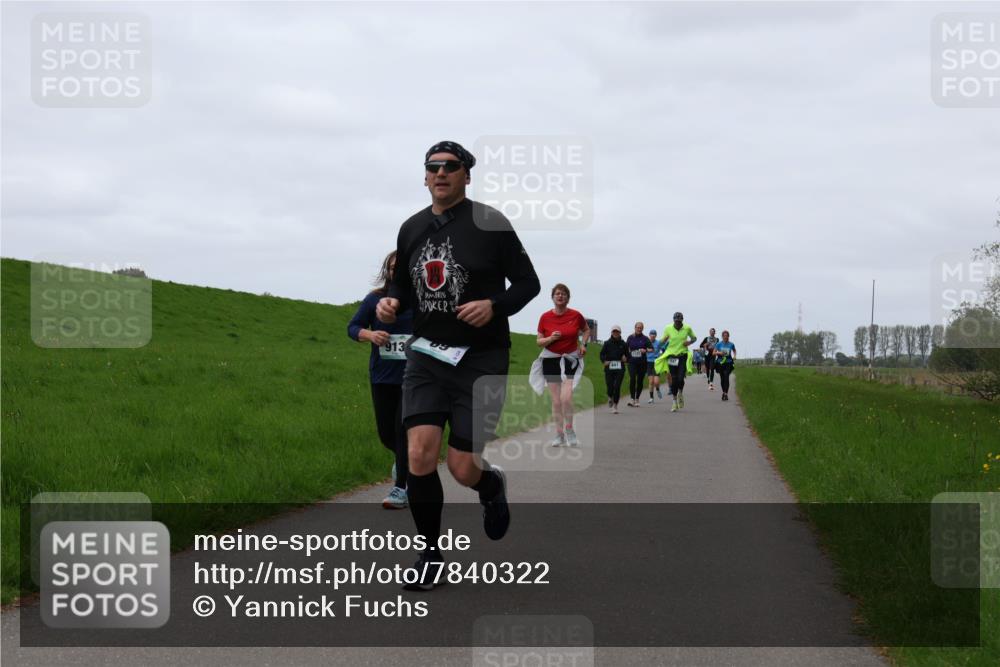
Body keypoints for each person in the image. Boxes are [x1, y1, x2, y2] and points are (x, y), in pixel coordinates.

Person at [376, 140, 540, 590]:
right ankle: (431, 555)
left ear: (467, 175)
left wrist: (494, 305)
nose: (441, 173)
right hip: (427, 356)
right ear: (425, 176)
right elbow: (400, 285)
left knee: (463, 466)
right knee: (418, 454)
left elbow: (528, 283)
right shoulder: (411, 228)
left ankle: (490, 487)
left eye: (451, 166)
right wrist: (391, 302)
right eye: (433, 167)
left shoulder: (491, 223)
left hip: (481, 358)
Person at [347, 250, 413, 509]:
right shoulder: (375, 299)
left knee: (402, 431)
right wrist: (370, 335)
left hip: (414, 377)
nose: (397, 271)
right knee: (387, 434)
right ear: (388, 271)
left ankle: (401, 489)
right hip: (383, 375)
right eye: (393, 267)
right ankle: (405, 462)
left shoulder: (422, 300)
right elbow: (352, 327)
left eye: (402, 267)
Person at [536, 283, 589, 446]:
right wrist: (551, 338)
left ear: (568, 298)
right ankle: (559, 435)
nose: (560, 296)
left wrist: (583, 344)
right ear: (552, 297)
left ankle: (570, 430)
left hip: (569, 359)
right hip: (550, 359)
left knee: (566, 398)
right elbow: (539, 341)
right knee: (556, 401)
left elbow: (586, 330)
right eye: (557, 293)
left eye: (564, 294)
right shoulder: (545, 317)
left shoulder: (576, 315)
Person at [656, 312, 697, 412]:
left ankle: (680, 393)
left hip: (682, 355)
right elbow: (660, 342)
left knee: (680, 378)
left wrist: (689, 342)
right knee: (674, 379)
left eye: (679, 321)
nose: (677, 323)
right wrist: (664, 340)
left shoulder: (687, 328)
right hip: (671, 356)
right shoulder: (668, 328)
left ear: (682, 320)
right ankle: (674, 401)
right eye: (676, 321)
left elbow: (694, 338)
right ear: (673, 320)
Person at [600, 324, 628, 413]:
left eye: (617, 332)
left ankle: (615, 406)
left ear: (620, 333)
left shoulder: (623, 344)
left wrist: (626, 359)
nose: (615, 333)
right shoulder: (607, 343)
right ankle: (610, 397)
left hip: (620, 368)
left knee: (617, 386)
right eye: (614, 331)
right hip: (609, 367)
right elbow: (602, 354)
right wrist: (604, 361)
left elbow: (628, 356)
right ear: (612, 333)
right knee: (610, 386)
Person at [625, 322, 651, 407]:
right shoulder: (630, 337)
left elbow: (651, 349)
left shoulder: (645, 338)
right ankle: (632, 399)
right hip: (632, 362)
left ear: (642, 329)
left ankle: (637, 399)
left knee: (640, 381)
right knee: (632, 379)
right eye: (637, 327)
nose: (639, 329)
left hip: (642, 363)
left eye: (640, 328)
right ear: (635, 328)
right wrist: (626, 355)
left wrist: (645, 350)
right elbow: (626, 348)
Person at [713, 330, 737, 401]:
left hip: (728, 362)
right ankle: (723, 392)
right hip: (720, 363)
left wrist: (734, 356)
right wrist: (719, 353)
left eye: (727, 336)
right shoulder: (718, 344)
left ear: (728, 336)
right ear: (722, 336)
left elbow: (734, 350)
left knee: (726, 377)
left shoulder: (731, 344)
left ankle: (726, 393)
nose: (726, 337)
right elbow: (713, 353)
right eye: (724, 336)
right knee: (722, 378)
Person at [646, 329, 665, 404]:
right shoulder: (646, 342)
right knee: (651, 381)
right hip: (648, 363)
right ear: (649, 335)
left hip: (656, 363)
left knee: (656, 382)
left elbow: (664, 349)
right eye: (651, 334)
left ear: (656, 336)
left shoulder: (658, 343)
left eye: (654, 334)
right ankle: (651, 398)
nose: (653, 336)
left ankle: (657, 389)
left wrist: (662, 356)